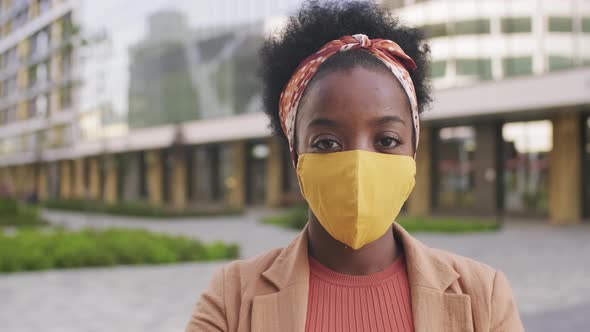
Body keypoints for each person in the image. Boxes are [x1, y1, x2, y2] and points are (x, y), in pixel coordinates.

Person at [187, 1, 524, 331]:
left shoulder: (483, 296)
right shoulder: (231, 298)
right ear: (296, 156)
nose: (358, 164)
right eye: (327, 143)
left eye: (387, 140)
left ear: (413, 151)